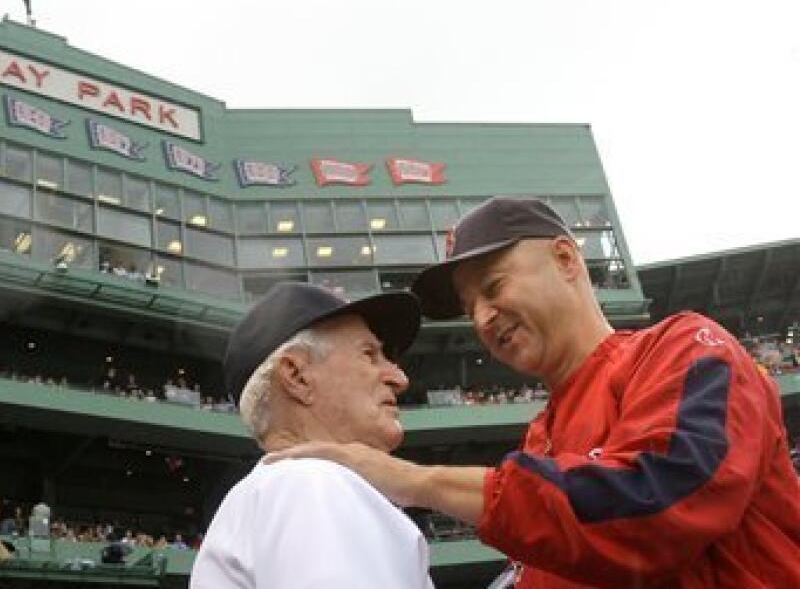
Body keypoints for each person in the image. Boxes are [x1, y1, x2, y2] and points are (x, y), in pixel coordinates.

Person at [268, 197, 800, 588]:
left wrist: (413, 479)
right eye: (469, 304)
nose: (480, 316)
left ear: (567, 260)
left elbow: (658, 504)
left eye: (494, 287)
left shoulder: (684, 346)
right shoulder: (539, 441)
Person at [191, 282, 432, 588]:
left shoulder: (277, 491)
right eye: (369, 354)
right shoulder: (312, 482)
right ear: (297, 377)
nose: (399, 378)